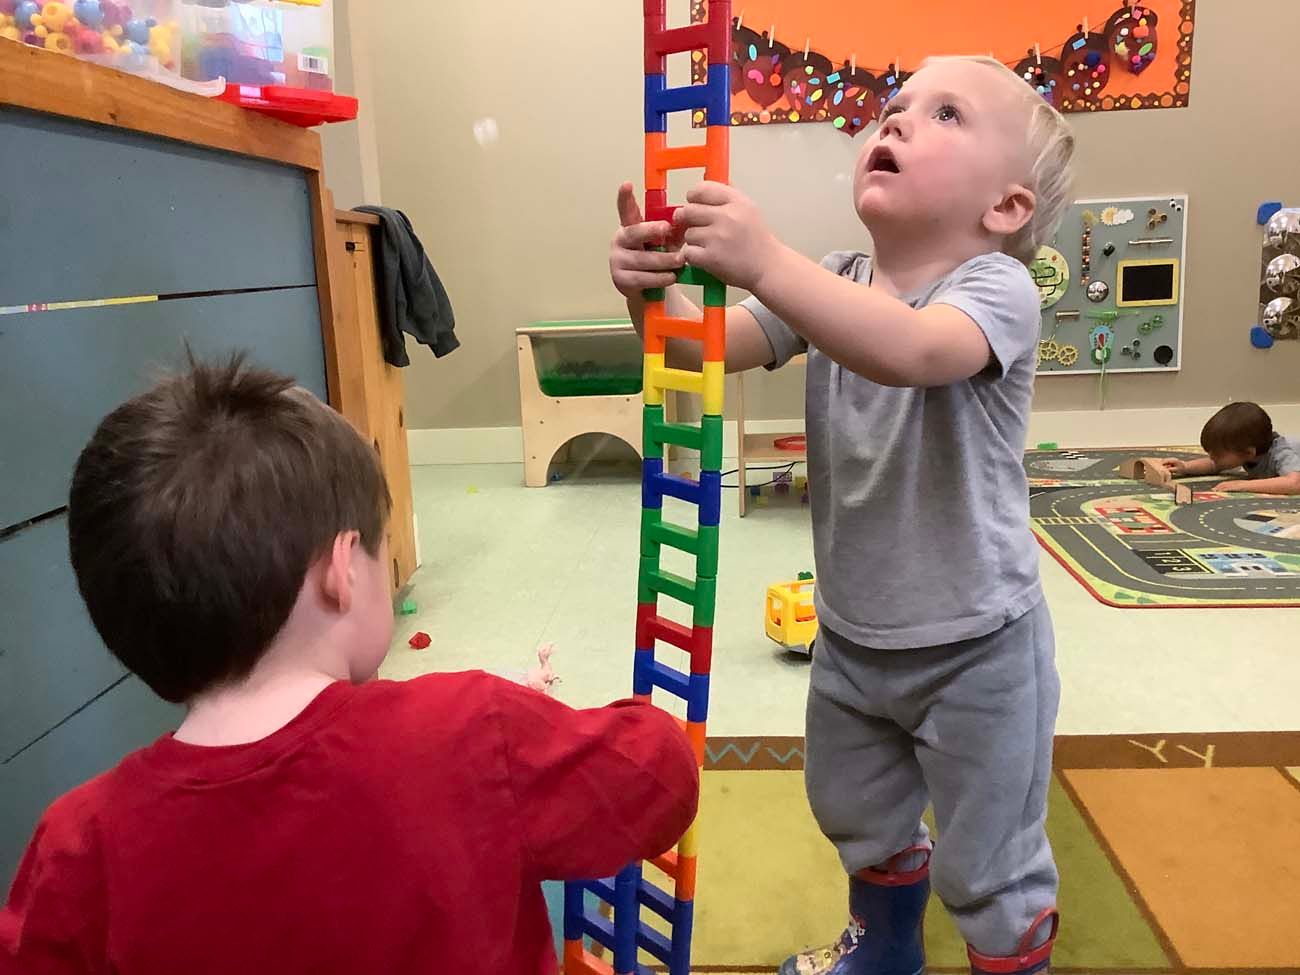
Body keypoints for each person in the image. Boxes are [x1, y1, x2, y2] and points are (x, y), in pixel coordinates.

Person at [0, 355, 699, 975]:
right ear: (341, 571)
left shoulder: (75, 845)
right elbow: (662, 778)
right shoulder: (469, 732)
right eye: (380, 549)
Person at [610, 55, 1075, 975]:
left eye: (944, 114)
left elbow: (909, 349)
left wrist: (765, 261)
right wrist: (646, 294)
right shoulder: (834, 276)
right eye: (895, 106)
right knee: (854, 809)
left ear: (1007, 209)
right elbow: (711, 350)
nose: (896, 121)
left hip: (979, 647)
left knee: (991, 862)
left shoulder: (995, 291)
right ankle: (886, 949)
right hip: (854, 638)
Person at [1161, 401, 1300, 495]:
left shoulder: (1281, 452)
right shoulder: (1248, 450)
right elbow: (1214, 464)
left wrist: (1240, 485)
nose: (1212, 457)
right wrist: (1186, 467)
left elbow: (1294, 483)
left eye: (1218, 454)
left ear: (1248, 452)